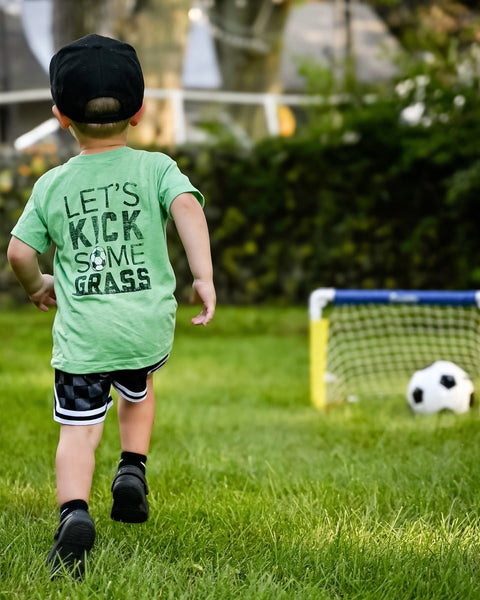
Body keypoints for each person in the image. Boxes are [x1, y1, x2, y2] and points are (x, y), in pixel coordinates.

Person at [7, 33, 216, 577]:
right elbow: (188, 209)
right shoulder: (157, 169)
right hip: (144, 329)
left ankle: (74, 513)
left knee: (78, 430)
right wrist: (203, 277)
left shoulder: (52, 185)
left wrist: (36, 285)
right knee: (138, 389)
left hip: (84, 339)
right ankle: (132, 469)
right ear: (140, 112)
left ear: (60, 116)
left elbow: (19, 251)